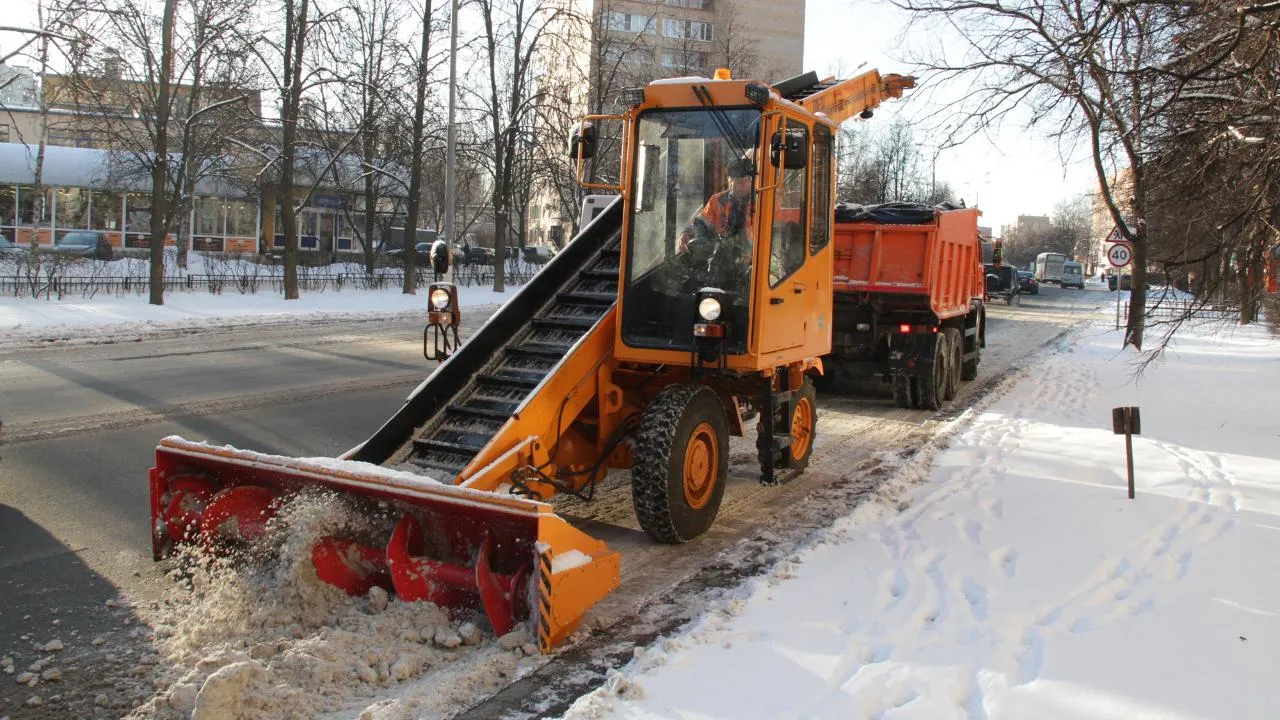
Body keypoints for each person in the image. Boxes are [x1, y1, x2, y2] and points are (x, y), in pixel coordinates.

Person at [677, 155, 756, 257]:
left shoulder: (763, 202)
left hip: (754, 261)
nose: (736, 186)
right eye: (732, 181)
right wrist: (687, 233)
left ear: (751, 180)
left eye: (741, 182)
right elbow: (701, 223)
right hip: (724, 258)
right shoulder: (717, 201)